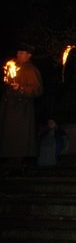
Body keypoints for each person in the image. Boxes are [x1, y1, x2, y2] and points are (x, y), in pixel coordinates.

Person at [0, 43, 43, 174]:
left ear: (29, 55)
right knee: (9, 138)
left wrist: (21, 89)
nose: (18, 55)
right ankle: (10, 164)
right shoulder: (13, 66)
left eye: (22, 53)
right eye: (18, 52)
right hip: (9, 108)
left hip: (21, 110)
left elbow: (37, 90)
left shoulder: (31, 70)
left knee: (19, 138)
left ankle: (17, 165)